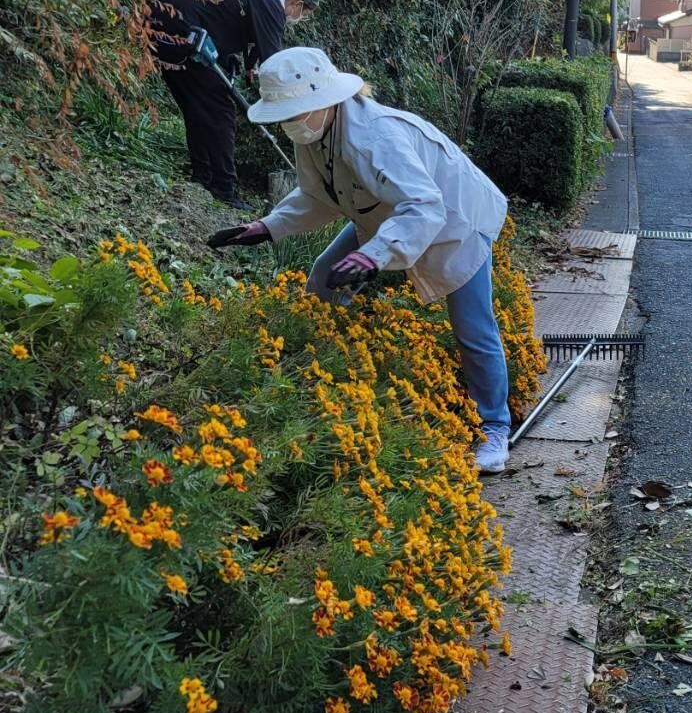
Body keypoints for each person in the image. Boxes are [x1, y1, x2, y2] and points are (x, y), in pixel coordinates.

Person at [207, 47, 512, 475]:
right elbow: (318, 195)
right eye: (284, 116)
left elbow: (424, 206)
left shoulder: (375, 138)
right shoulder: (316, 132)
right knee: (324, 278)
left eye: (296, 112)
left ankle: (495, 428)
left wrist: (373, 254)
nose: (290, 122)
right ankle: (324, 366)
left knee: (473, 328)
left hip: (456, 219)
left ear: (324, 99)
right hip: (384, 215)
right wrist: (267, 226)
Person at [147, 0, 320, 207]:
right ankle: (224, 187)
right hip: (180, 30)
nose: (301, 18)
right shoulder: (270, 3)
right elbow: (274, 63)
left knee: (197, 106)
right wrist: (291, 109)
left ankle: (203, 176)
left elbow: (223, 20)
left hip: (162, 24)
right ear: (297, 3)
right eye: (304, 13)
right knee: (221, 110)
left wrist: (238, 62)